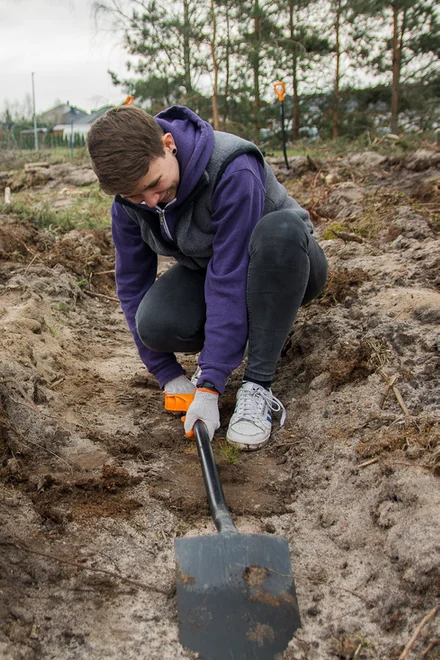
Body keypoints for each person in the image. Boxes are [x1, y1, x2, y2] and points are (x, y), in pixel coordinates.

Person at [86, 104, 328, 450]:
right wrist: (168, 374)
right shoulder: (131, 203)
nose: (150, 201)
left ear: (168, 143)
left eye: (154, 184)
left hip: (288, 266)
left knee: (280, 231)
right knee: (155, 324)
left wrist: (211, 383)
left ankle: (257, 383)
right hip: (212, 268)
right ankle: (233, 343)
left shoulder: (232, 169)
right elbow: (132, 285)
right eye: (136, 195)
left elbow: (229, 276)